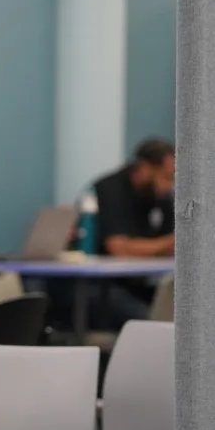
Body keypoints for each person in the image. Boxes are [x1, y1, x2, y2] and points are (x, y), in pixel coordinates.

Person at [90, 138, 176, 328]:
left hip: (136, 283)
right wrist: (171, 242)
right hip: (99, 286)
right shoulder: (110, 189)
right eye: (166, 176)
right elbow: (118, 247)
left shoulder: (158, 196)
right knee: (148, 322)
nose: (169, 185)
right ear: (145, 167)